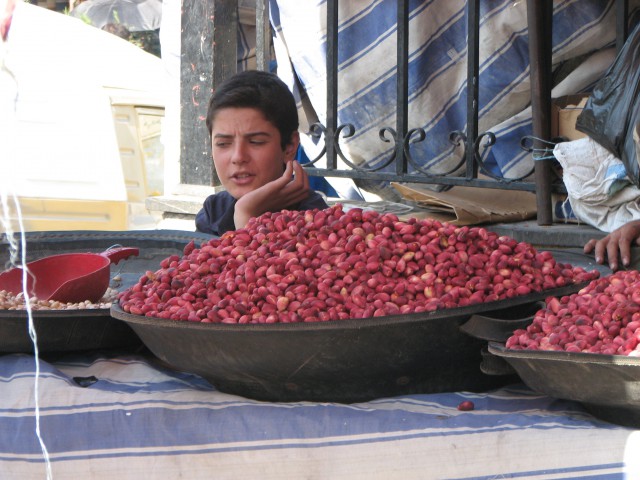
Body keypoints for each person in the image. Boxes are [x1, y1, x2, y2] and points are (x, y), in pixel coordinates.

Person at [195, 70, 329, 236]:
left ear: (289, 146)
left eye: (256, 142)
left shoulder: (315, 217)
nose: (238, 157)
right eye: (223, 144)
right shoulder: (214, 210)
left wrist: (246, 216)